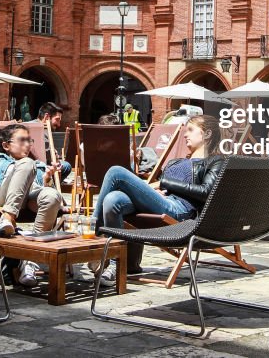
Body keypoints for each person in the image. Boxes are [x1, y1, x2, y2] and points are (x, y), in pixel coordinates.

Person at [91, 114, 225, 285]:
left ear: (207, 134)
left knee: (116, 171)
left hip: (180, 211)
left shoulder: (215, 161)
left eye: (190, 130)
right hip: (163, 202)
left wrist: (166, 184)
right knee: (112, 199)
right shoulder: (177, 161)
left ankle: (93, 235)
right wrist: (156, 189)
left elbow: (207, 192)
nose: (185, 135)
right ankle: (120, 265)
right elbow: (161, 185)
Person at [0, 123, 66, 287]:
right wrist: (3, 140)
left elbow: (42, 192)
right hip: (2, 201)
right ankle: (7, 217)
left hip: (28, 198)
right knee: (26, 163)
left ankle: (30, 261)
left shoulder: (37, 165)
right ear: (6, 145)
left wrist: (47, 179)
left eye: (29, 140)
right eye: (22, 140)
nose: (28, 144)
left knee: (52, 196)